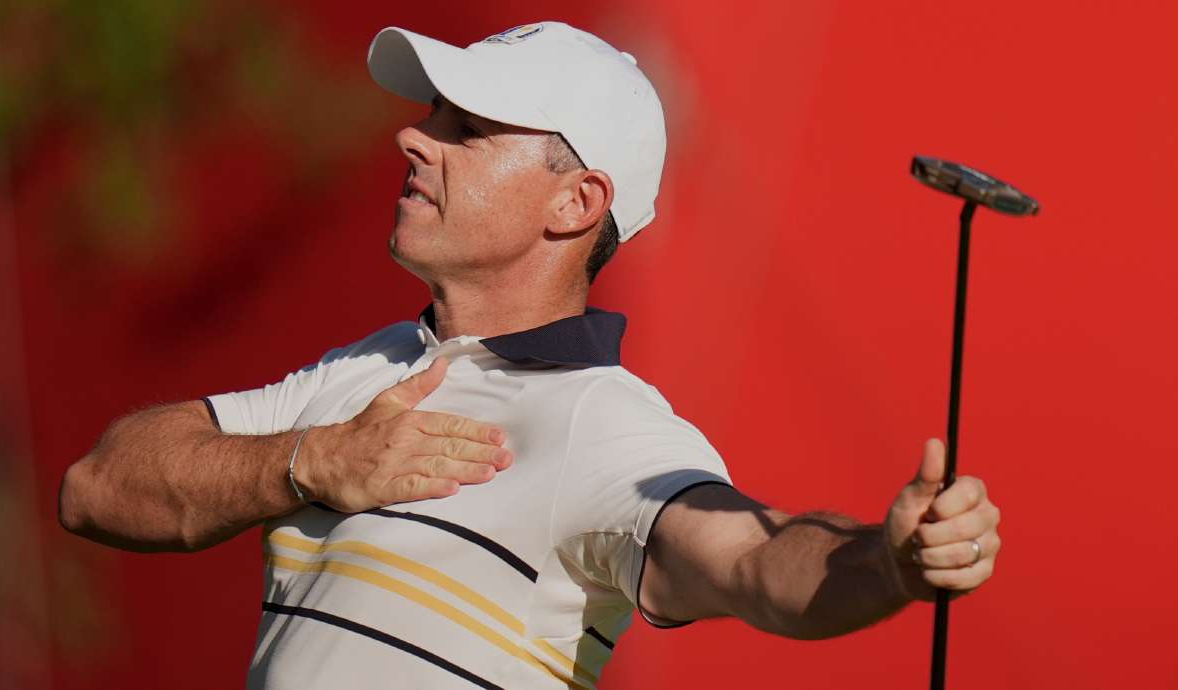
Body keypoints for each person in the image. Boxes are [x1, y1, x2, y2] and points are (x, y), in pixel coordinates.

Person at [58, 21, 1001, 690]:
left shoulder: (603, 421)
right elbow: (97, 487)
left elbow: (752, 556)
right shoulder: (369, 370)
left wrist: (889, 562)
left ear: (576, 204)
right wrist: (308, 462)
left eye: (464, 130)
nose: (411, 137)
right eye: (435, 116)